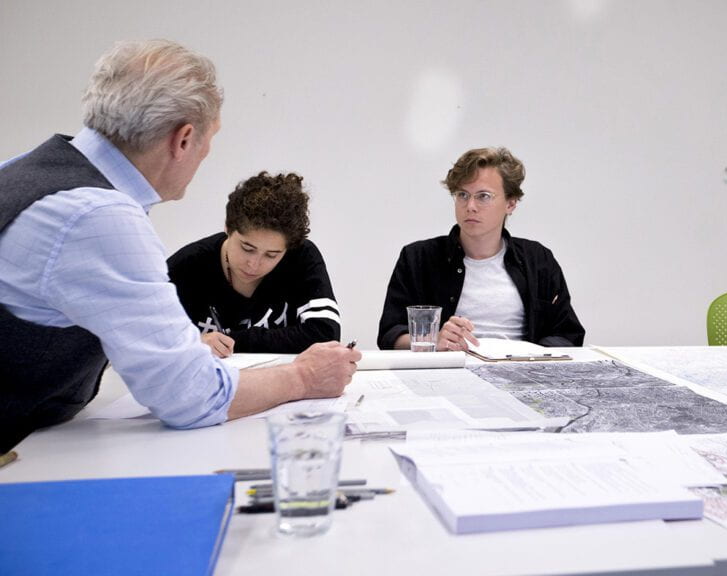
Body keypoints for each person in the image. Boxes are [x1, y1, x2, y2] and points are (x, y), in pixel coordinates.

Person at [0, 40, 360, 453]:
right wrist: (303, 377)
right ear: (184, 139)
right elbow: (191, 395)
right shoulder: (99, 216)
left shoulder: (19, 170)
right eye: (211, 139)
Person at [377, 147, 585, 351]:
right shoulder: (418, 258)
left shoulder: (538, 259)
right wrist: (432, 341)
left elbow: (568, 334)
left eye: (483, 196)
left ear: (510, 203)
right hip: (447, 374)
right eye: (463, 195)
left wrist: (533, 356)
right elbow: (389, 334)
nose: (470, 206)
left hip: (521, 374)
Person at [168, 171, 341, 357]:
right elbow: (141, 337)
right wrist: (192, 344)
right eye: (247, 248)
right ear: (228, 227)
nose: (254, 265)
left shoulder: (301, 256)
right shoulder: (187, 265)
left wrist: (230, 340)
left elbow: (325, 335)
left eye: (272, 255)